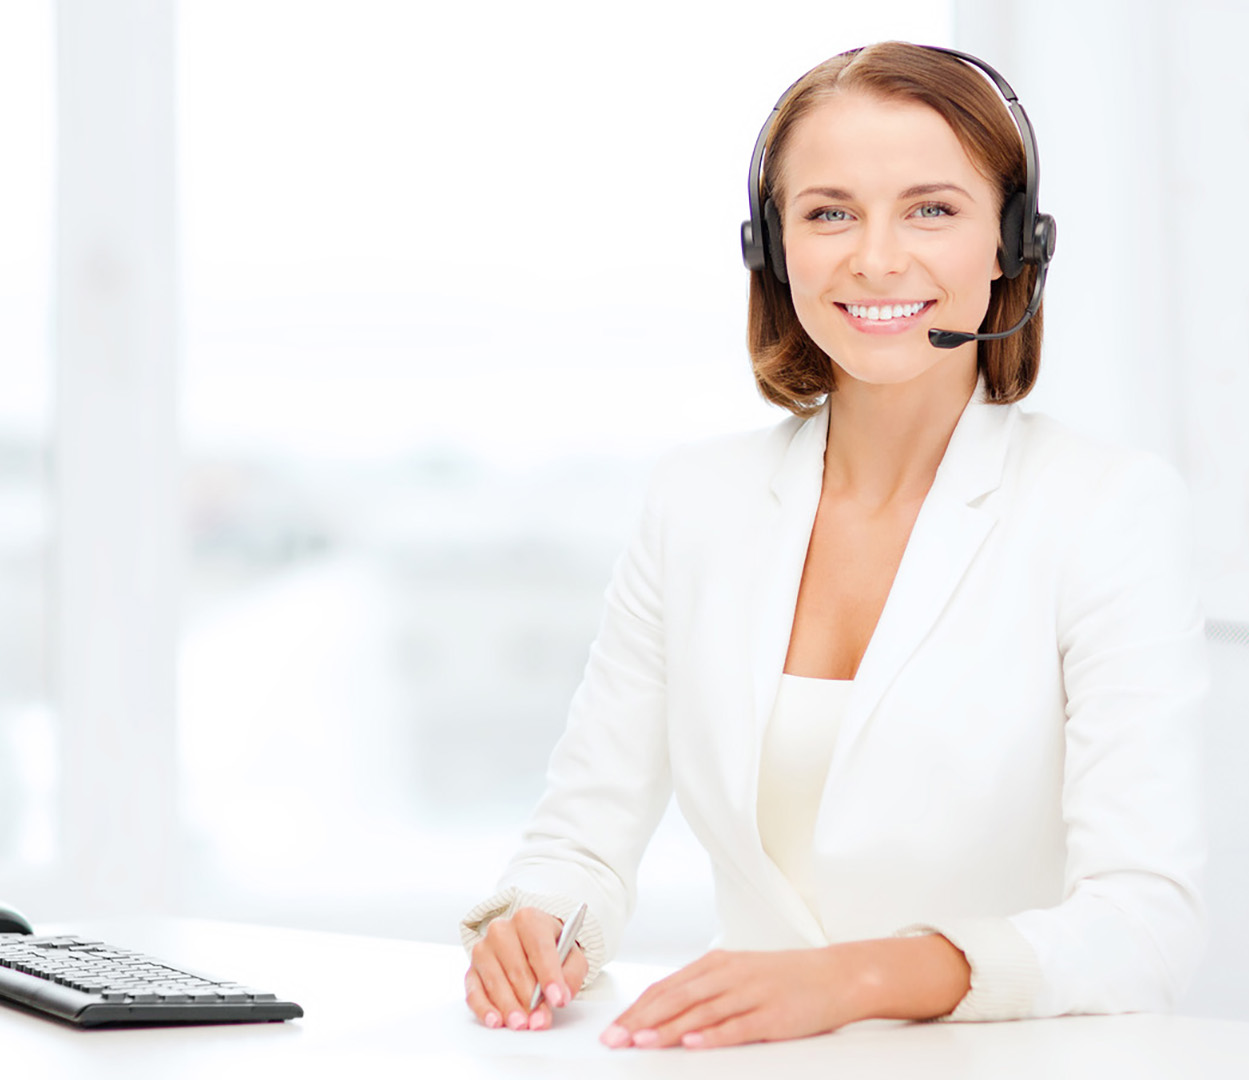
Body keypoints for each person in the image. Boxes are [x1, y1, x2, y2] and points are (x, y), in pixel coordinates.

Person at [458, 40, 1208, 1050]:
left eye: (932, 209)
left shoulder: (1105, 508)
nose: (876, 257)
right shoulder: (698, 503)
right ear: (771, 250)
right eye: (829, 213)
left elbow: (1145, 925)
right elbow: (581, 844)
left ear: (1012, 245)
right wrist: (542, 922)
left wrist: (857, 979)